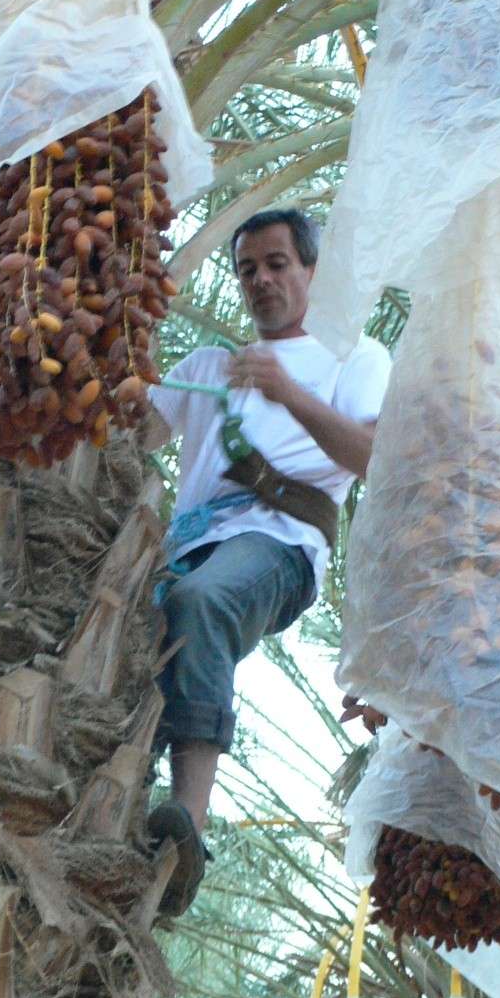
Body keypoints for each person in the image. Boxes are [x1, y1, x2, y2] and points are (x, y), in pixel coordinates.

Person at [143, 207, 392, 915]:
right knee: (126, 645)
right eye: (247, 269)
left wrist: (289, 393)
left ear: (311, 271)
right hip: (182, 551)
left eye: (277, 264)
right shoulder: (206, 370)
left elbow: (374, 459)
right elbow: (125, 437)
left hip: (278, 544)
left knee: (202, 605)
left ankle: (187, 822)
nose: (260, 280)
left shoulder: (356, 358)